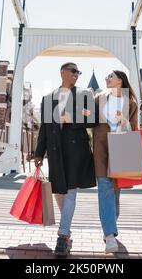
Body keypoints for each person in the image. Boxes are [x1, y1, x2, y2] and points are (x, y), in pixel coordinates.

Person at [34, 62, 97, 256]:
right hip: (55, 151)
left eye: (79, 72)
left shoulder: (85, 94)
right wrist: (38, 153)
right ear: (63, 73)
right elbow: (44, 128)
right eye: (74, 71)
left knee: (70, 191)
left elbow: (93, 118)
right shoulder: (47, 98)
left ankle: (62, 236)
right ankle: (67, 230)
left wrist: (71, 118)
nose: (77, 74)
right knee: (59, 192)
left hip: (76, 150)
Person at [92, 70, 138, 253]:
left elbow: (134, 130)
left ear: (120, 80)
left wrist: (123, 121)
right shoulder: (99, 98)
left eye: (109, 76)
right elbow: (89, 120)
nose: (106, 78)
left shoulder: (131, 103)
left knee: (115, 194)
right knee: (105, 189)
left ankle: (108, 229)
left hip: (121, 148)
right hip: (102, 149)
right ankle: (110, 236)